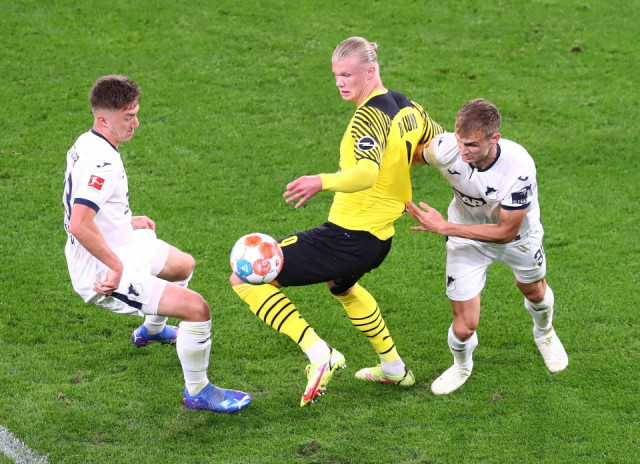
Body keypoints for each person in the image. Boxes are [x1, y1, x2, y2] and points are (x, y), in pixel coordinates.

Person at [230, 37, 444, 407]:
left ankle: (320, 354)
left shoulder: (368, 117)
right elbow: (438, 145)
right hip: (378, 240)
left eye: (347, 75)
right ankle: (393, 368)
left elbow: (365, 174)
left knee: (245, 277)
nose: (340, 83)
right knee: (342, 287)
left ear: (371, 72)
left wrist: (321, 181)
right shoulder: (409, 107)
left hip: (347, 236)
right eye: (336, 75)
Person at [62, 75, 251, 413]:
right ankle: (199, 391)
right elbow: (79, 223)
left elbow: (82, 202)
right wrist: (116, 267)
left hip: (121, 241)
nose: (136, 123)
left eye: (135, 114)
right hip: (101, 267)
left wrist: (123, 220)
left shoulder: (86, 142)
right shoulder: (102, 163)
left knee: (183, 265)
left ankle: (151, 330)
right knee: (197, 309)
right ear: (103, 119)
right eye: (128, 117)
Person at [407, 98, 569, 395]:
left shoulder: (518, 168)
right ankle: (461, 366)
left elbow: (506, 231)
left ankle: (544, 332)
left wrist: (445, 227)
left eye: (471, 145)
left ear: (495, 139)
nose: (463, 151)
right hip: (466, 240)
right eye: (460, 141)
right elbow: (407, 155)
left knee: (534, 291)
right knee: (463, 327)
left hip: (518, 240)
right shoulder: (446, 148)